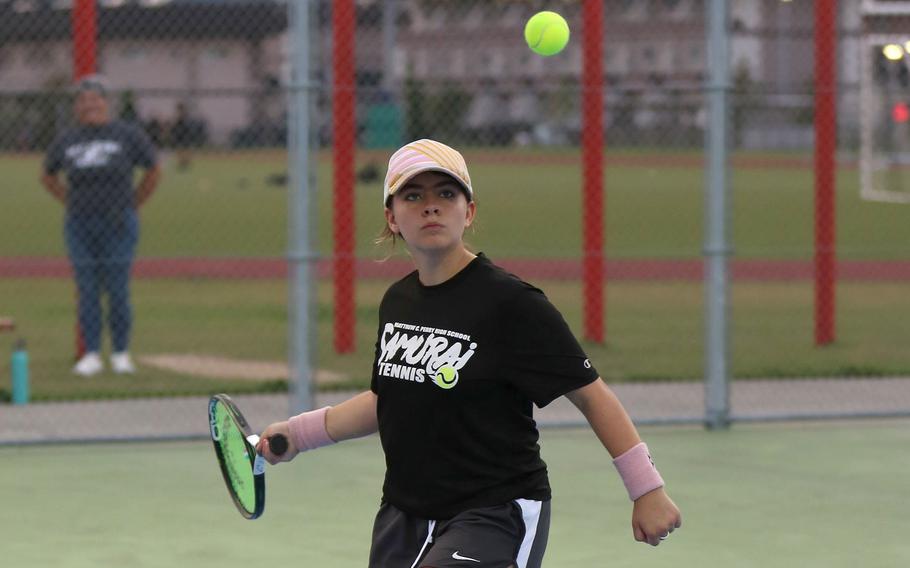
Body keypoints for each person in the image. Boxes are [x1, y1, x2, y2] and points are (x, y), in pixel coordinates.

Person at [257, 139, 681, 567]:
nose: (431, 206)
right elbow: (389, 397)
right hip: (404, 514)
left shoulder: (512, 303)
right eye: (412, 195)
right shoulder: (398, 302)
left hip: (495, 512)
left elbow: (591, 395)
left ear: (469, 210)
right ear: (392, 218)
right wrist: (298, 434)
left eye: (446, 193)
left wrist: (646, 489)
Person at [40, 75, 161, 377]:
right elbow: (48, 175)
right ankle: (92, 353)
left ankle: (121, 353)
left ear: (107, 103)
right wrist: (68, 200)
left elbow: (153, 169)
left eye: (95, 99)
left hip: (119, 222)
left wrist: (136, 202)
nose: (89, 105)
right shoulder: (68, 139)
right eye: (83, 100)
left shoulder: (126, 135)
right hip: (80, 223)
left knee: (118, 289)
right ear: (76, 107)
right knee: (87, 288)